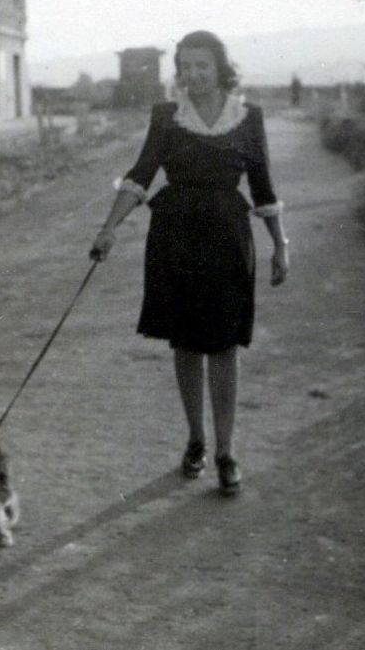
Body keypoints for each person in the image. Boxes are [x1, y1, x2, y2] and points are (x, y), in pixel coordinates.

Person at [90, 31, 289, 495]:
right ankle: (196, 441)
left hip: (227, 238)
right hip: (175, 236)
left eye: (204, 65)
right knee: (185, 343)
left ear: (221, 68)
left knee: (223, 345)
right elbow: (141, 175)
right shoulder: (166, 117)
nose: (195, 74)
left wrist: (280, 244)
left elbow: (262, 186)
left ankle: (226, 451)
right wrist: (109, 227)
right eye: (187, 65)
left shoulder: (248, 118)